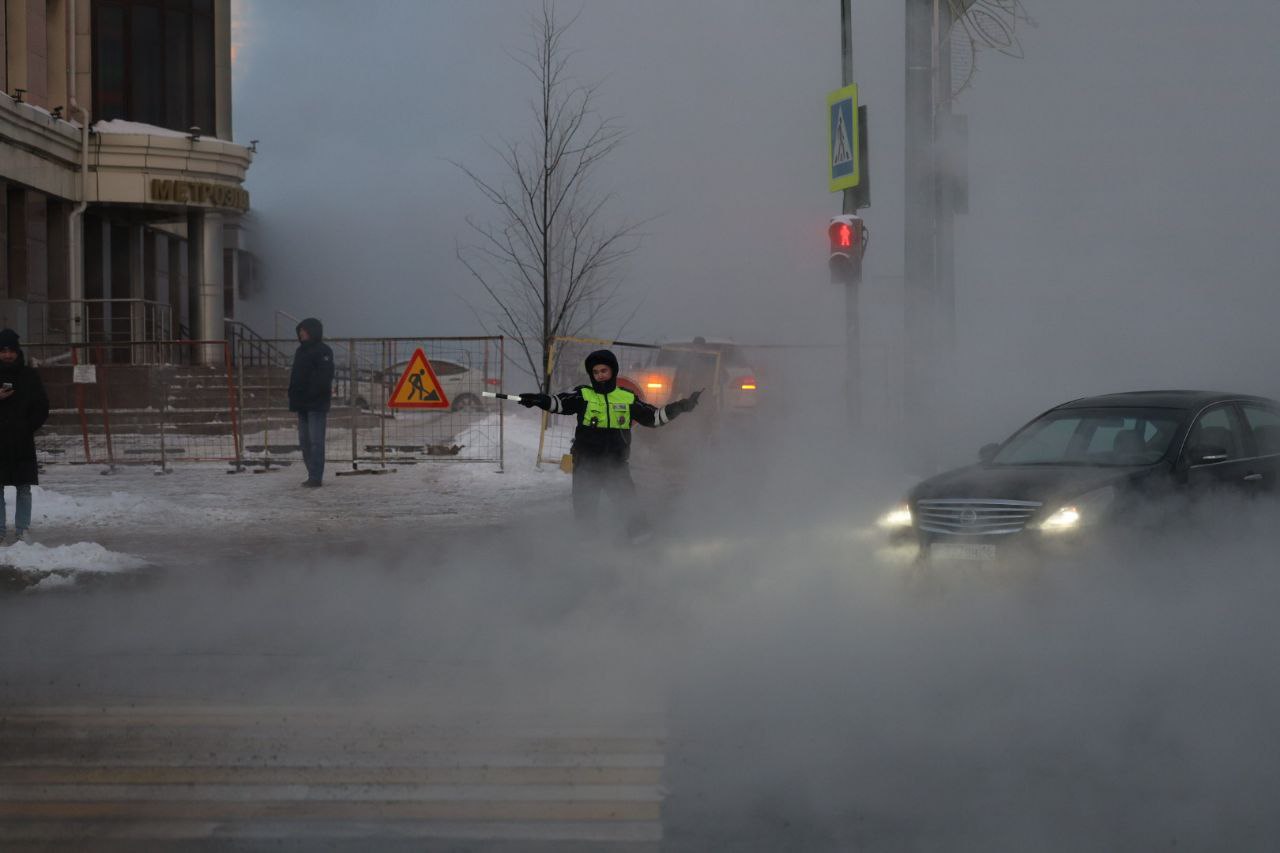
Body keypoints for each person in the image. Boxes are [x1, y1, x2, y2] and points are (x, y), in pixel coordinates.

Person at [518, 349, 701, 538]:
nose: (600, 376)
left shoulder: (627, 397)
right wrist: (538, 399)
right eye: (595, 372)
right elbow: (559, 403)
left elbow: (654, 418)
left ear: (613, 371)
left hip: (616, 464)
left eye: (604, 371)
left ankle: (641, 539)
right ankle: (587, 547)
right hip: (586, 464)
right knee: (585, 510)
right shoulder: (583, 395)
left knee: (629, 504)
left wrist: (680, 406)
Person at [0, 328, 50, 544]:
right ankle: (0, 531)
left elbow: (42, 406)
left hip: (21, 440)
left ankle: (22, 529)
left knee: (24, 488)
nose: (7, 355)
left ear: (18, 351)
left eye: (11, 350)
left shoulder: (29, 375)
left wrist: (27, 427)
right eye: (2, 350)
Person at [288, 317, 334, 487]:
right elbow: (296, 376)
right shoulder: (300, 351)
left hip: (316, 404)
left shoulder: (323, 351)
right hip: (302, 404)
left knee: (316, 441)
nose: (301, 333)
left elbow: (324, 377)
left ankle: (315, 476)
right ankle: (311, 474)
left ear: (312, 331)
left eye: (304, 330)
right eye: (300, 330)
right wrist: (293, 395)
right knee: (305, 441)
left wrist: (312, 393)